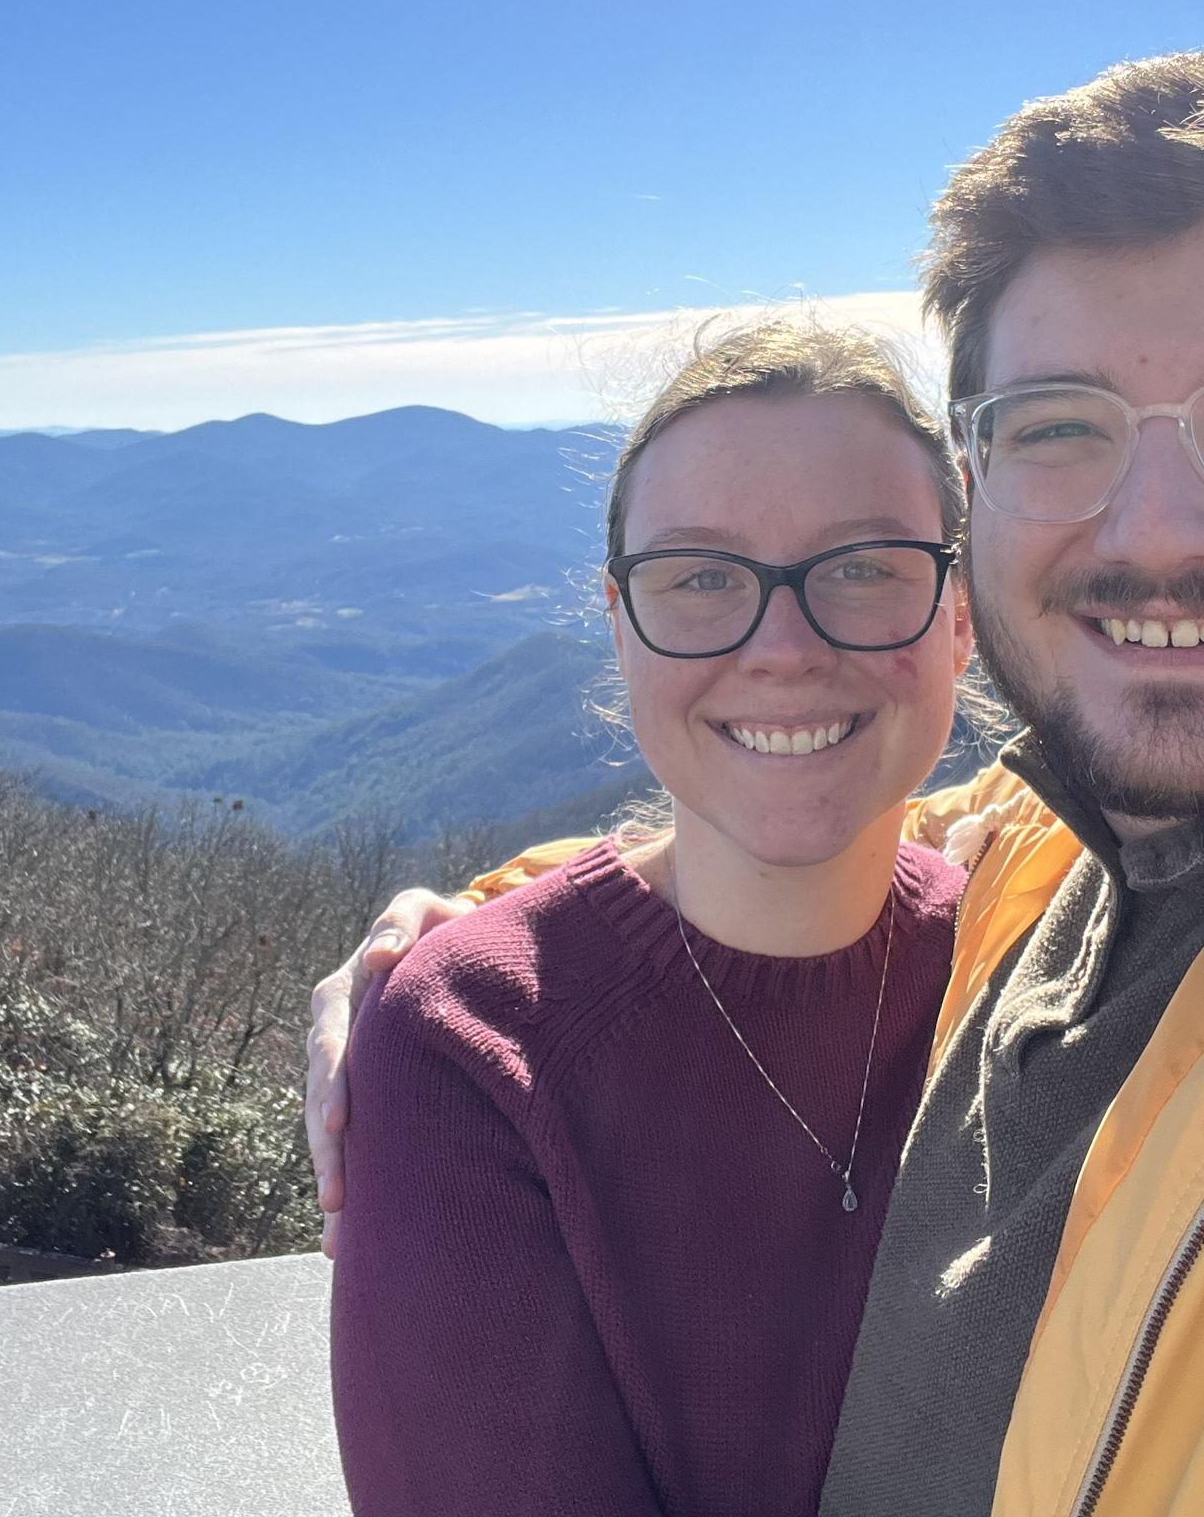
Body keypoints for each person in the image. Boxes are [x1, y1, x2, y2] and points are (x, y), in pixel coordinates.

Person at [312, 52, 1204, 1515]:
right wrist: (464, 959)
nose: (1159, 531)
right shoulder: (1041, 856)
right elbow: (785, 847)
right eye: (1060, 426)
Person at [329, 319, 974, 1514]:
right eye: (700, 577)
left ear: (960, 614)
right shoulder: (472, 1043)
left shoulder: (1033, 974)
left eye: (861, 566)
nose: (782, 648)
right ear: (620, 622)